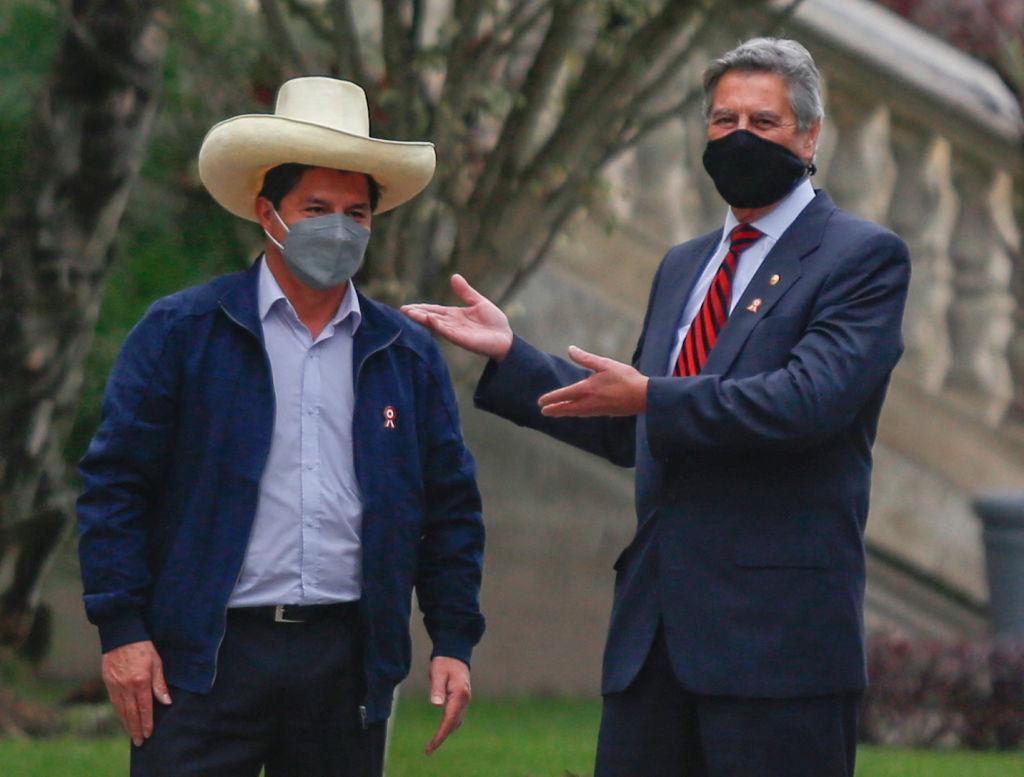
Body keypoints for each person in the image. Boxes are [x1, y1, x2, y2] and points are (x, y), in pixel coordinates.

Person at [403, 38, 910, 777]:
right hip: (654, 642)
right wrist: (511, 355)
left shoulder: (860, 257)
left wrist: (650, 396)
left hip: (776, 651)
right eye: (722, 119)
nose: (739, 136)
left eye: (762, 122)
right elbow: (635, 423)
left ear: (809, 135)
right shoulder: (685, 263)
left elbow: (808, 402)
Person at [77, 76, 485, 777]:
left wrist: (452, 637)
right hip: (202, 655)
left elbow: (449, 507)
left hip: (344, 658)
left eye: (357, 213)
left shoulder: (403, 354)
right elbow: (114, 485)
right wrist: (122, 631)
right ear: (268, 213)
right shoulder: (183, 333)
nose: (339, 227)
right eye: (317, 207)